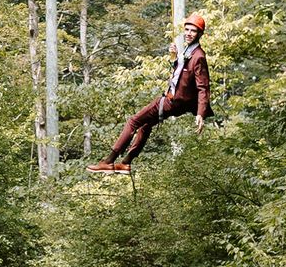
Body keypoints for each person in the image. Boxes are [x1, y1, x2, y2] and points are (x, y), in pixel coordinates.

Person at [88, 12, 211, 172]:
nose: (188, 33)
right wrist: (174, 58)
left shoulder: (198, 56)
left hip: (172, 101)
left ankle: (109, 161)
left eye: (193, 31)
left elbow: (203, 87)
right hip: (175, 100)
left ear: (200, 34)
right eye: (186, 30)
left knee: (133, 121)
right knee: (145, 126)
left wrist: (201, 114)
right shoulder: (189, 51)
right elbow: (182, 74)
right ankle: (126, 162)